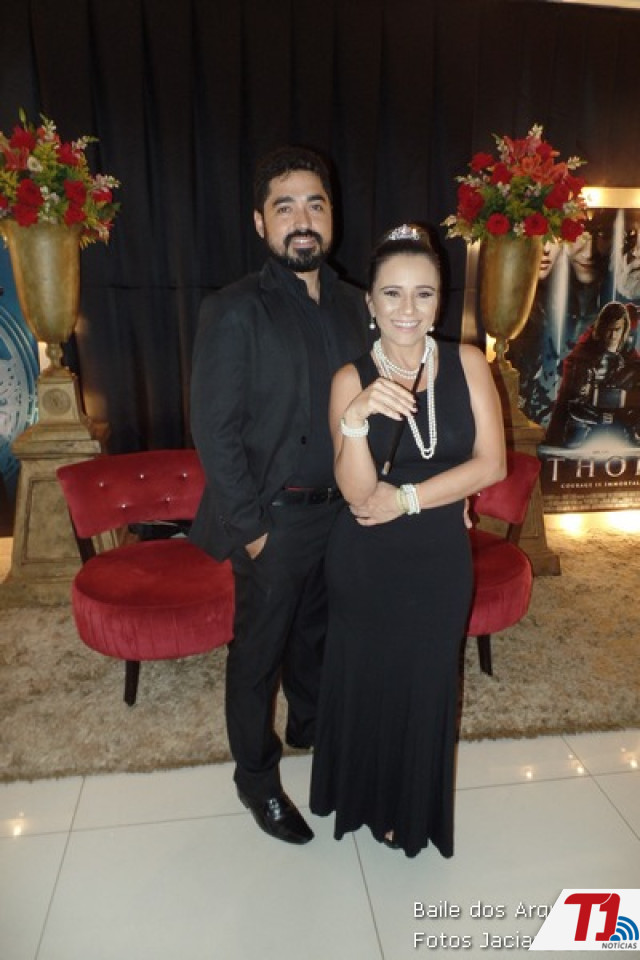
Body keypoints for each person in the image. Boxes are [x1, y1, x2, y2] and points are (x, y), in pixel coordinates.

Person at [189, 146, 369, 846]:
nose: (302, 219)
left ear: (332, 217)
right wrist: (252, 529)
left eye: (315, 204)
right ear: (261, 221)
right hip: (274, 518)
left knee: (320, 636)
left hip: (343, 513)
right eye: (285, 206)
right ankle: (256, 781)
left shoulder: (358, 305)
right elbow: (214, 428)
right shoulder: (234, 309)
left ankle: (313, 729)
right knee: (258, 655)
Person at [309, 223, 505, 859]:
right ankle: (364, 797)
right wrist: (355, 419)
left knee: (427, 683)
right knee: (368, 681)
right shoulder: (350, 379)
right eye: (392, 293)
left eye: (424, 293)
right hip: (366, 560)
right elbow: (357, 494)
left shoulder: (469, 363)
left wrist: (410, 498)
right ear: (370, 302)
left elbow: (491, 464)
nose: (408, 309)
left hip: (438, 558)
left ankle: (410, 807)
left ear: (440, 301)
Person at [545, 300, 640, 449]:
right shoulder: (584, 358)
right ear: (602, 328)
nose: (613, 335)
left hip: (618, 423)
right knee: (575, 439)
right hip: (586, 424)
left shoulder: (630, 357)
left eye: (617, 329)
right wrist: (597, 417)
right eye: (609, 329)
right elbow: (574, 403)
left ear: (623, 330)